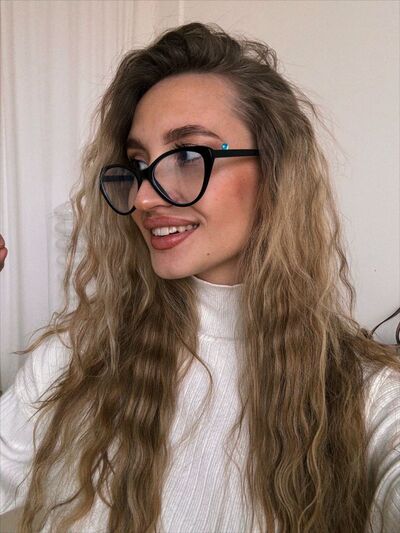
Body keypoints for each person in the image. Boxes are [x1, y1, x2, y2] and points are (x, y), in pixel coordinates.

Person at [0, 22, 399, 533]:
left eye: (188, 155)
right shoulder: (81, 353)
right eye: (138, 163)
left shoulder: (364, 396)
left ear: (276, 173)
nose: (144, 197)